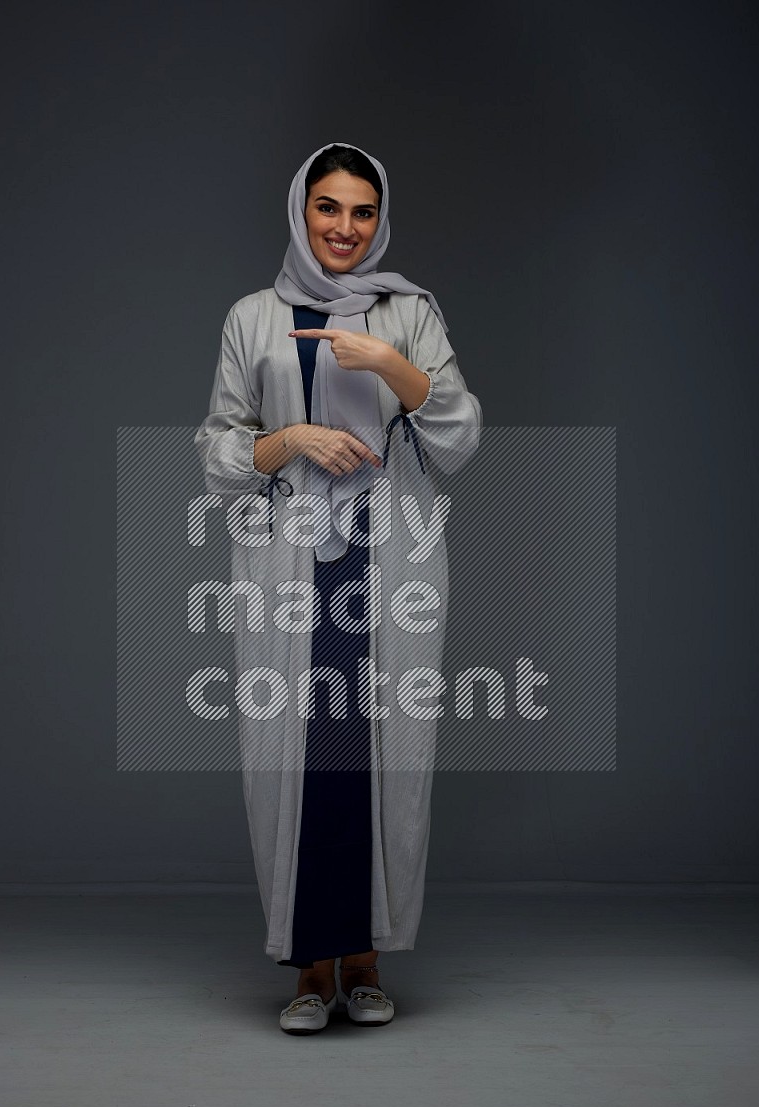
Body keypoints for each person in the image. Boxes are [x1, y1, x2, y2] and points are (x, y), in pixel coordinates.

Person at [194, 142, 482, 1034]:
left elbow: (460, 438)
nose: (345, 228)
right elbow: (216, 451)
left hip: (388, 558)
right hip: (289, 562)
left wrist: (390, 365)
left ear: (380, 217)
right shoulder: (254, 317)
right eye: (329, 208)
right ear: (300, 211)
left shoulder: (411, 312)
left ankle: (365, 957)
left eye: (362, 211)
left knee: (386, 750)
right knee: (292, 751)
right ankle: (308, 965)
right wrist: (295, 442)